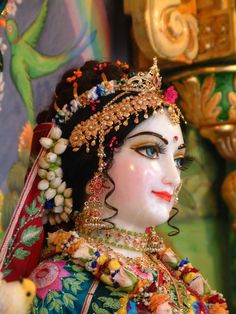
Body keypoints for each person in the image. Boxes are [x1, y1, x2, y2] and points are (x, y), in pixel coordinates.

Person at [0, 59, 228, 313]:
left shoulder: (175, 276)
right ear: (95, 159)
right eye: (151, 150)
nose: (174, 178)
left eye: (178, 160)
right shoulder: (59, 283)